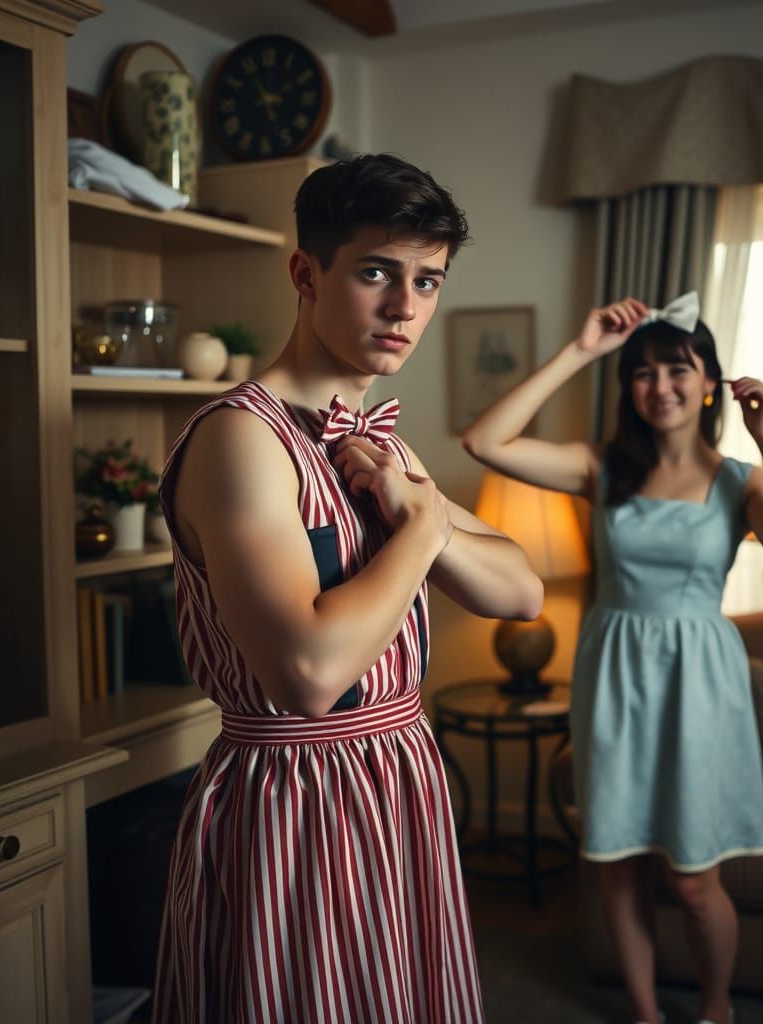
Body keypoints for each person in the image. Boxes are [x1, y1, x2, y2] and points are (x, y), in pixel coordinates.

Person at [152, 153, 544, 1023]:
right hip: (294, 798)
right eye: (376, 272)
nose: (407, 308)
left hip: (398, 780)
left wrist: (417, 504)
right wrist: (429, 524)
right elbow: (311, 674)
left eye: (429, 282)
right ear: (305, 272)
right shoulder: (239, 442)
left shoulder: (380, 447)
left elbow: (520, 590)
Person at [461, 293, 763, 1024]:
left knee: (693, 882)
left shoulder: (737, 480)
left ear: (710, 382)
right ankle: (646, 1013)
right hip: (614, 675)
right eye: (643, 373)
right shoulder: (601, 468)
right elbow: (484, 441)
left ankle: (717, 1010)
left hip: (701, 684)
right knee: (618, 864)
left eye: (678, 369)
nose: (660, 386)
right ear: (627, 387)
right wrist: (582, 350)